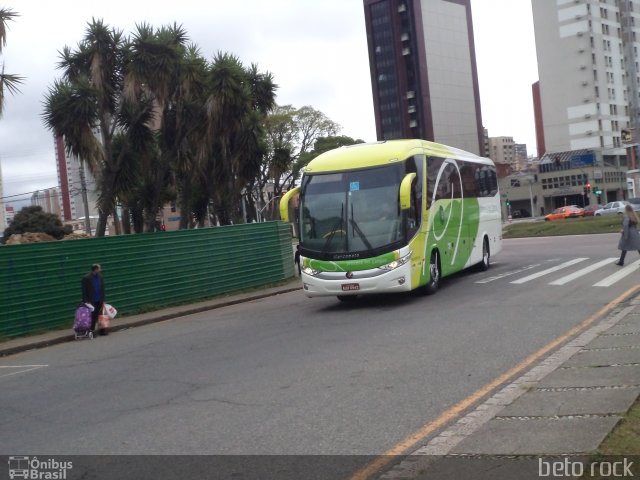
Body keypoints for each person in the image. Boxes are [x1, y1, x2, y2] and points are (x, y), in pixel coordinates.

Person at [82, 263, 107, 335]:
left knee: (102, 315)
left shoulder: (100, 277)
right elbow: (84, 290)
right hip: (92, 300)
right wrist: (86, 301)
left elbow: (102, 289)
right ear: (95, 269)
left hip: (100, 299)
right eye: (99, 268)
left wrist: (104, 299)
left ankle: (102, 331)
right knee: (93, 316)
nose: (100, 270)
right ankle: (91, 331)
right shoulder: (87, 278)